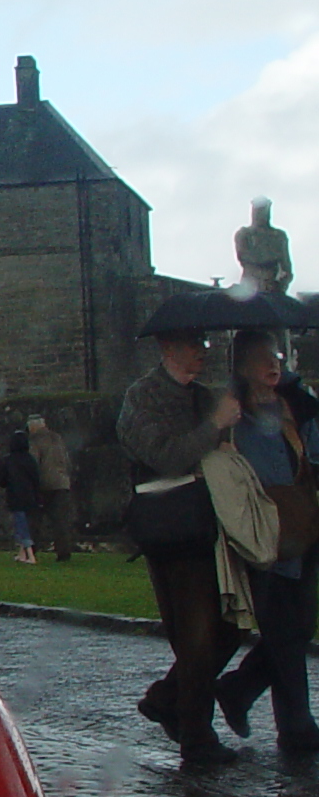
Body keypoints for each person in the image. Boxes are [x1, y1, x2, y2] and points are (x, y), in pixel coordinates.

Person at [117, 322, 244, 766]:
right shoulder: (141, 398)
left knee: (231, 624)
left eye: (204, 343)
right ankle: (196, 736)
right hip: (171, 529)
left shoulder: (206, 396)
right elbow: (166, 455)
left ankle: (169, 698)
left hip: (213, 524)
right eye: (195, 343)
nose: (203, 351)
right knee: (195, 633)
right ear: (168, 347)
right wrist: (214, 425)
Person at [212, 332, 319, 754]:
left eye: (275, 356)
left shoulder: (296, 405)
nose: (272, 365)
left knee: (298, 628)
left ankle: (239, 689)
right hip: (259, 530)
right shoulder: (231, 414)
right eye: (261, 358)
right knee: (282, 633)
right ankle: (296, 727)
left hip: (301, 526)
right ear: (241, 365)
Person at [26, 414, 77, 560]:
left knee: (35, 521)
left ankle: (31, 551)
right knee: (60, 522)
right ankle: (64, 552)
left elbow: (33, 463)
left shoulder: (35, 440)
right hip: (62, 483)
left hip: (44, 485)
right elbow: (66, 461)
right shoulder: (57, 438)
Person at [0, 428, 43, 564]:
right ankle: (22, 554)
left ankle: (30, 555)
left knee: (21, 527)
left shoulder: (8, 460)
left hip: (15, 497)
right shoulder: (30, 460)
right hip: (30, 497)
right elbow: (36, 479)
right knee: (25, 524)